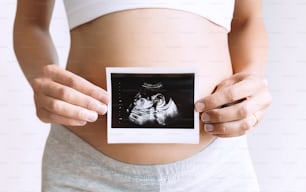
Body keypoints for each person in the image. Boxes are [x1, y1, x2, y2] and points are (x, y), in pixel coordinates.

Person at [13, 0, 272, 191]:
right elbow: (31, 23)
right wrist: (42, 79)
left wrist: (251, 78)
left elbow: (247, 21)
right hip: (84, 166)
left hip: (216, 167)